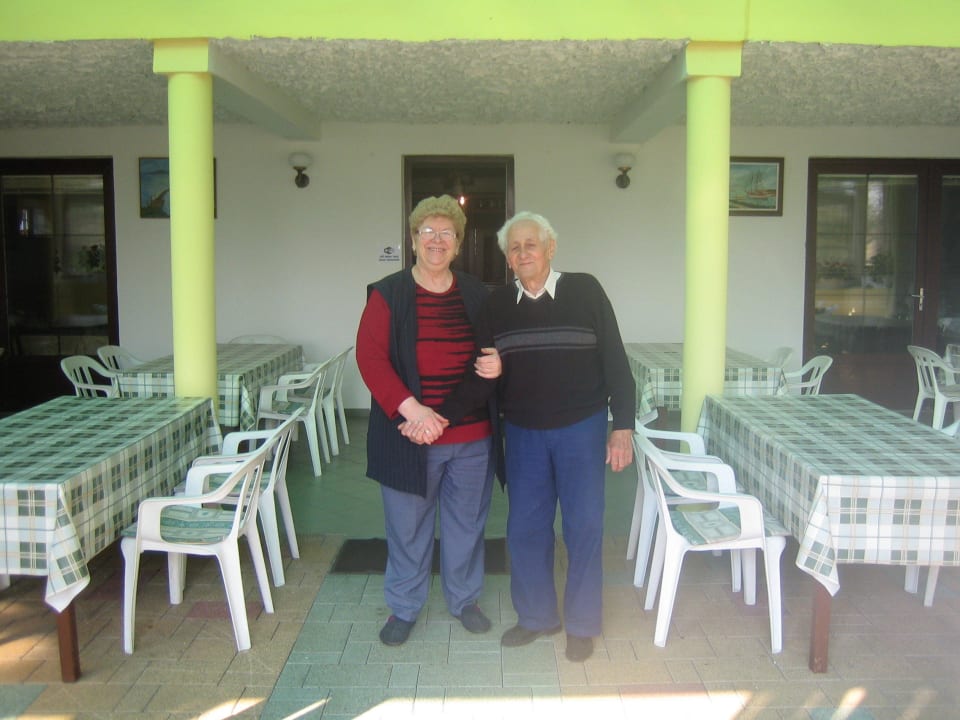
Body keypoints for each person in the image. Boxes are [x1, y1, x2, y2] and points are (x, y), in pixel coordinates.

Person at [441, 211, 634, 662]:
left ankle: (583, 623)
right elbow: (482, 373)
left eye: (531, 244)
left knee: (584, 525)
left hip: (582, 429)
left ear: (550, 248)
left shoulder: (585, 289)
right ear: (507, 259)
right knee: (526, 528)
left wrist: (621, 426)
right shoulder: (496, 306)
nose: (522, 253)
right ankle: (536, 617)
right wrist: (438, 415)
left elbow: (615, 360)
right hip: (524, 431)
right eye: (514, 247)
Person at [355, 194, 501, 647]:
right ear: (414, 239)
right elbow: (371, 358)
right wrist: (413, 411)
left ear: (458, 244)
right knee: (407, 527)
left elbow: (489, 358)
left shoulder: (479, 295)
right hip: (407, 436)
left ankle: (464, 600)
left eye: (447, 234)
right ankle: (404, 606)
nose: (437, 241)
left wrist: (498, 364)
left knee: (465, 524)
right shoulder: (388, 293)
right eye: (428, 232)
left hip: (471, 437)